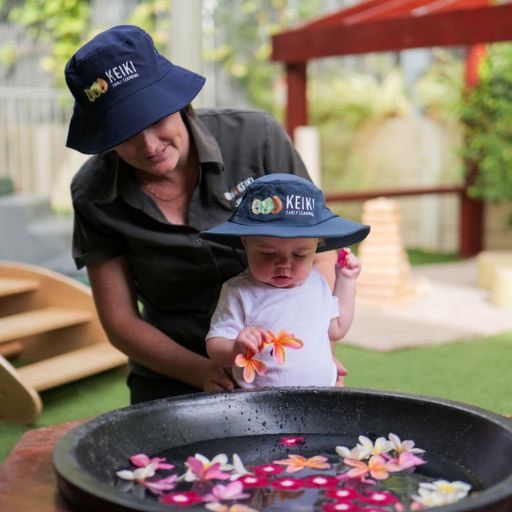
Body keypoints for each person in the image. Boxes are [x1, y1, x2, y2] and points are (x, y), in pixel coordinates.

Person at [64, 25, 345, 403]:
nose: (149, 145)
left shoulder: (256, 139)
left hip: (278, 362)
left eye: (155, 120)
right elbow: (120, 320)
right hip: (172, 368)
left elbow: (320, 248)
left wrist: (314, 345)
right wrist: (201, 371)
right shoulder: (93, 194)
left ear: (177, 102)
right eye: (125, 133)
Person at [200, 174, 370, 388]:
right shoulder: (239, 292)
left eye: (300, 255)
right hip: (260, 400)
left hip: (321, 393)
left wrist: (346, 280)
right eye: (268, 254)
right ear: (245, 243)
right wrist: (235, 347)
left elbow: (336, 328)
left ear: (318, 245)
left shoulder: (316, 283)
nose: (284, 265)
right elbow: (215, 345)